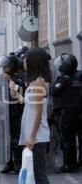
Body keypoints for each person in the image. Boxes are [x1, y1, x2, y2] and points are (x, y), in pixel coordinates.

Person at [10, 48, 51, 184]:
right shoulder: (33, 82)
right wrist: (17, 95)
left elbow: (39, 113)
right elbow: (29, 103)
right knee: (34, 174)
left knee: (39, 175)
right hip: (33, 135)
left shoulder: (39, 82)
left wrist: (33, 137)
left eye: (26, 60)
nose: (24, 63)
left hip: (38, 136)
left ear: (35, 62)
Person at [50, 53, 81, 173]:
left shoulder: (63, 79)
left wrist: (50, 86)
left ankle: (68, 165)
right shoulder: (77, 78)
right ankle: (75, 163)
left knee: (66, 140)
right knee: (72, 139)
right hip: (75, 111)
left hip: (65, 113)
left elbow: (54, 91)